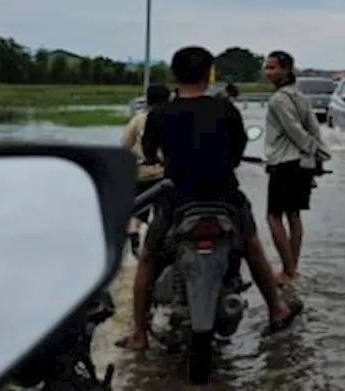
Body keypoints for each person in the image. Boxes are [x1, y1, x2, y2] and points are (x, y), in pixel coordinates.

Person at [116, 46, 301, 351]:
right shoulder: (225, 109)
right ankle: (277, 309)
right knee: (253, 248)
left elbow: (150, 153)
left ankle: (138, 334)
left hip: (177, 199)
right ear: (208, 74)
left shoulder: (161, 113)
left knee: (148, 259)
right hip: (225, 197)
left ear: (176, 74)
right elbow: (238, 151)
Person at [262, 51, 329, 286]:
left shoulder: (279, 99)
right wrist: (318, 153)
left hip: (284, 163)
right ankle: (293, 268)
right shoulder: (301, 96)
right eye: (267, 67)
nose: (267, 72)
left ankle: (288, 271)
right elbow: (314, 128)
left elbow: (295, 131)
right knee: (294, 216)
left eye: (272, 68)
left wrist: (315, 150)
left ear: (286, 70)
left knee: (273, 216)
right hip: (302, 165)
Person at [119, 84, 171, 257]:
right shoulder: (174, 119)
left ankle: (134, 231)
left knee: (140, 209)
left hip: (142, 173)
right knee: (164, 212)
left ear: (147, 100)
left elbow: (125, 144)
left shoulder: (139, 120)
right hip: (165, 174)